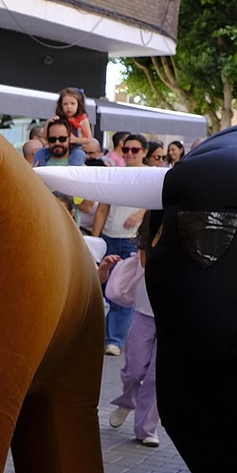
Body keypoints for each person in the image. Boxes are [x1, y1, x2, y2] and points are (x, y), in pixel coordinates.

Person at [106, 213, 162, 447]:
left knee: (156, 378)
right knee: (134, 370)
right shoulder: (145, 248)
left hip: (172, 320)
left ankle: (147, 429)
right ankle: (127, 400)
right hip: (144, 314)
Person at [91, 134, 148, 355]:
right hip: (110, 236)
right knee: (104, 287)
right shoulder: (115, 174)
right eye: (126, 150)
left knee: (123, 289)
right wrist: (96, 239)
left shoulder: (150, 175)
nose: (130, 154)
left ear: (144, 151)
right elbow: (102, 208)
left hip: (133, 238)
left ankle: (115, 339)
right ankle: (107, 335)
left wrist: (140, 213)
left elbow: (156, 203)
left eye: (135, 150)